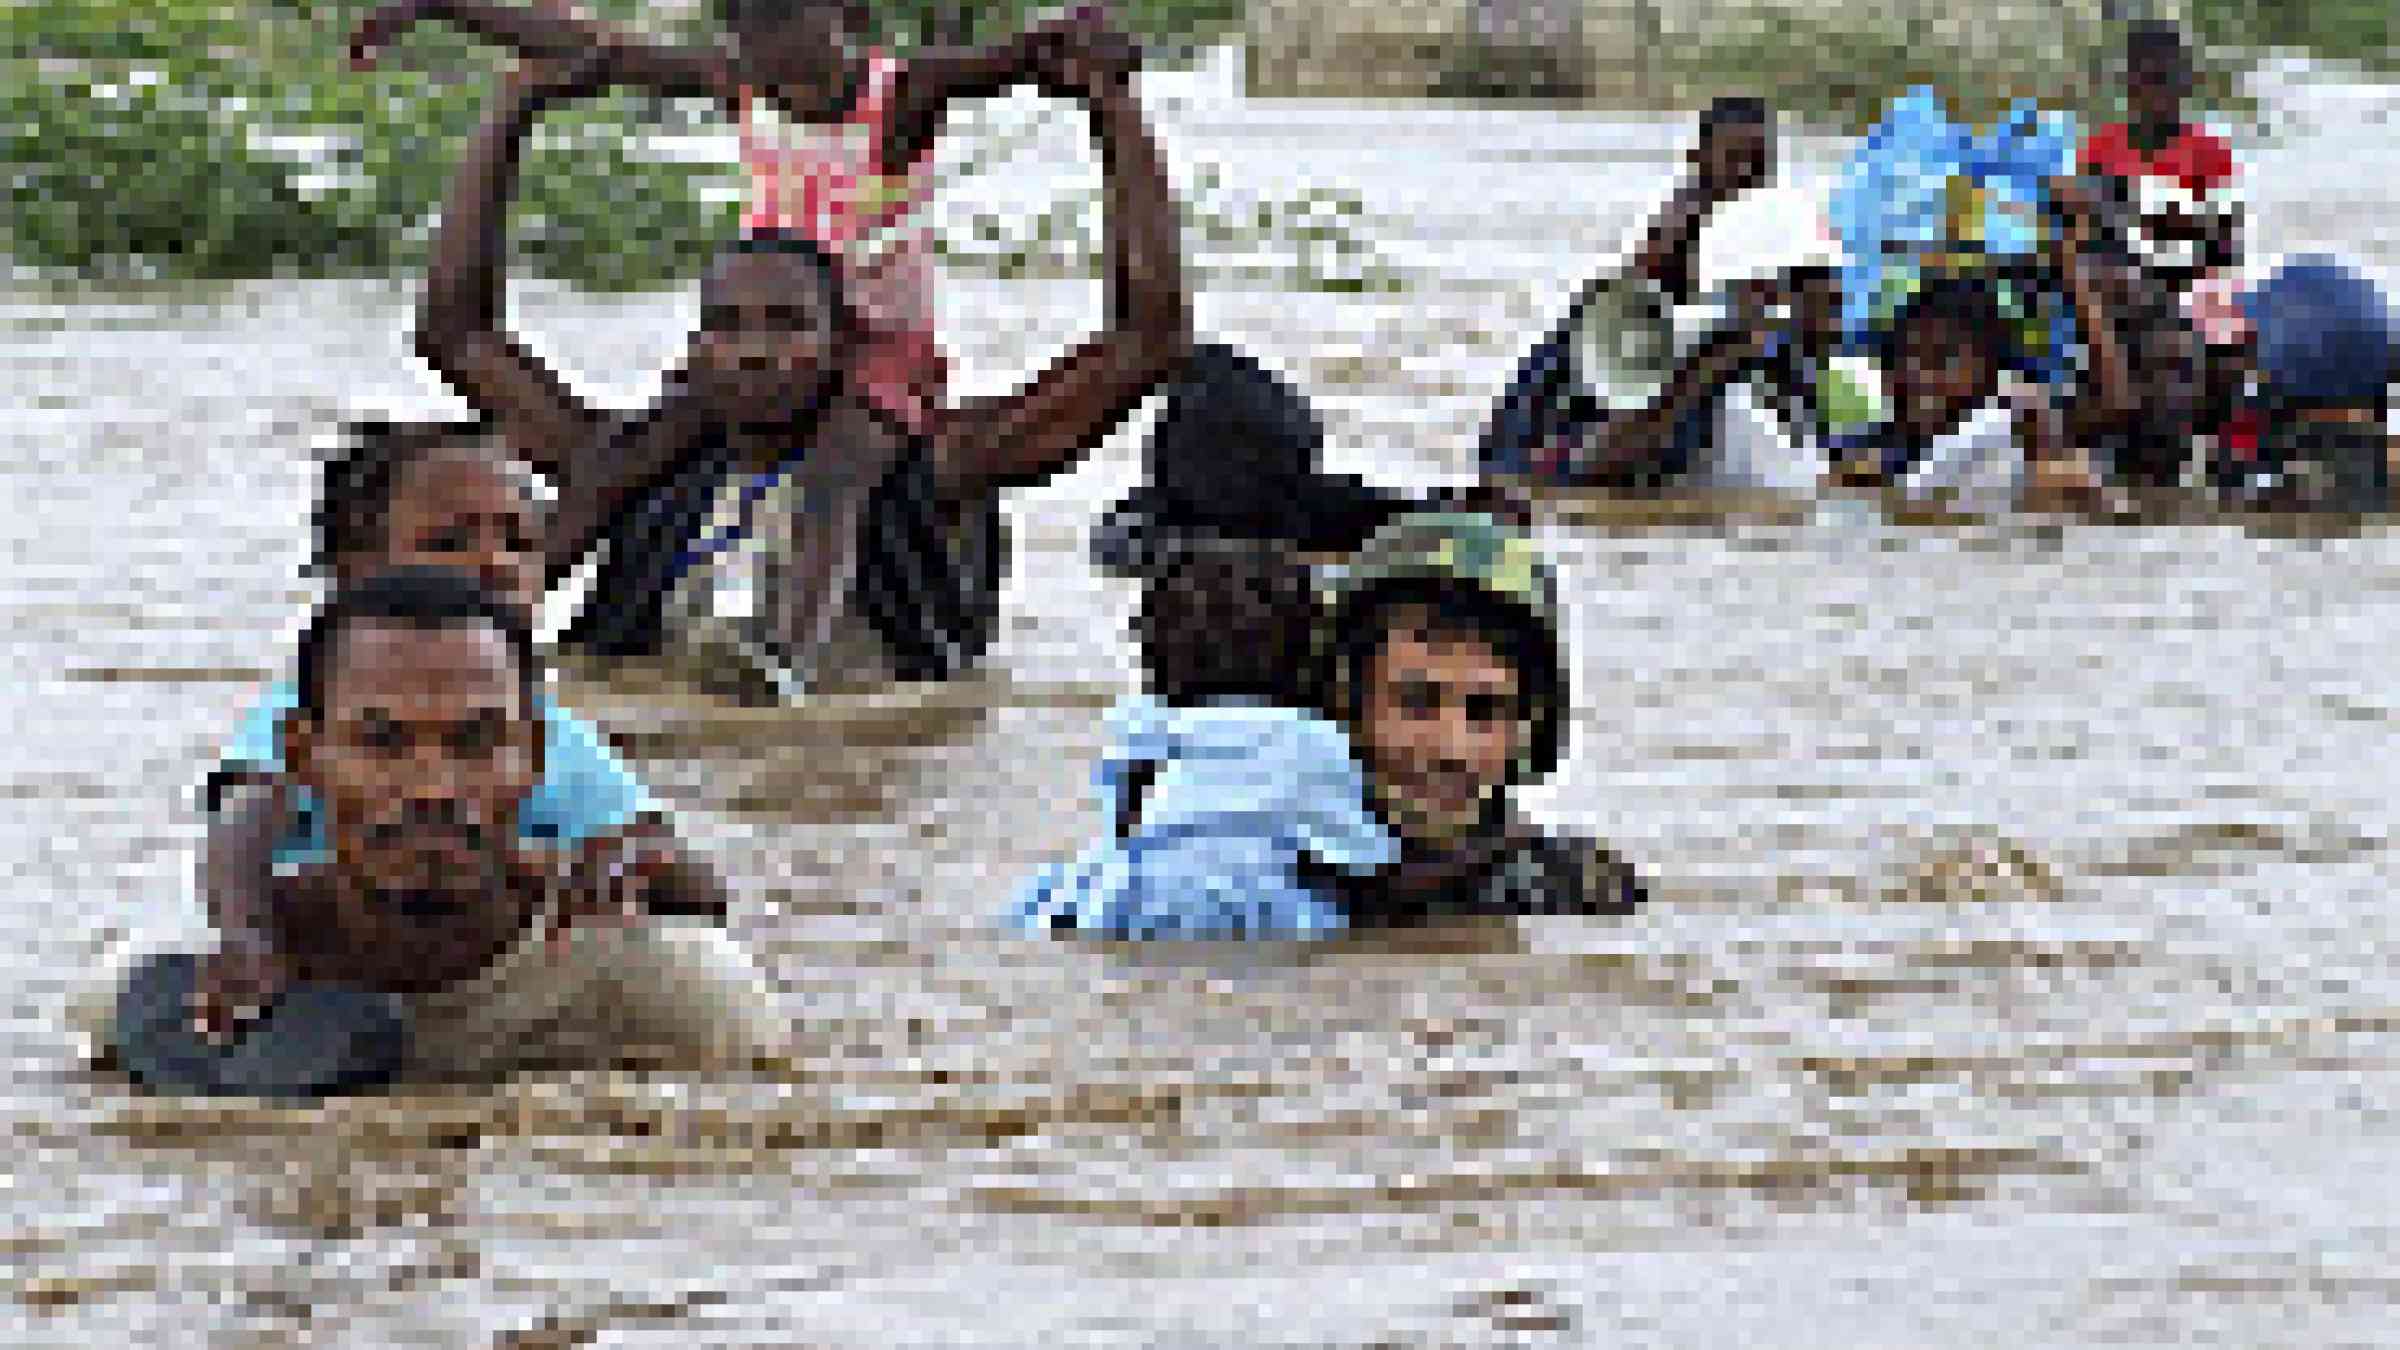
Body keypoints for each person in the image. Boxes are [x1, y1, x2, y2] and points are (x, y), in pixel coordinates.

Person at [398, 26, 1185, 695]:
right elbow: (456, 336)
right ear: (696, 348)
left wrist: (1111, 108)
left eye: (786, 326)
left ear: (844, 347)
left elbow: (1144, 345)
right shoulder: (640, 468)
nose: (755, 354)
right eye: (729, 327)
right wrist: (508, 115)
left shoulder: (929, 471)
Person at [87, 569, 784, 1098]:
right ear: (303, 759)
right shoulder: (175, 1002)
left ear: (535, 760)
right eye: (381, 743)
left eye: (475, 743)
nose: (431, 788)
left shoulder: (671, 994)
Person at [350, 0, 1121, 436]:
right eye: (742, 24)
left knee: (848, 465)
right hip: (758, 336)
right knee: (643, 447)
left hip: (875, 349)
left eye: (781, 20)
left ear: (846, 14)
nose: (762, 46)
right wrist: (442, 8)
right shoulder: (740, 85)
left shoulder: (903, 97)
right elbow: (598, 49)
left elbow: (1023, 57)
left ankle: (790, 648)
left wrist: (1081, 40)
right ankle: (547, 586)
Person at [193, 420, 728, 1042]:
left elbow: (687, 875)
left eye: (518, 542)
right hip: (331, 970)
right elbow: (246, 816)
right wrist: (248, 939)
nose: (494, 563)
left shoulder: (553, 731)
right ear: (357, 567)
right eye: (451, 541)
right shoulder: (310, 709)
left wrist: (631, 867)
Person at [1011, 540, 1395, 938]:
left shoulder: (1143, 729)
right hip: (1259, 908)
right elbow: (1359, 854)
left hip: (1128, 896)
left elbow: (1121, 826)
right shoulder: (1313, 743)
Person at [1309, 513, 1647, 921]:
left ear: (1529, 726)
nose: (1452, 749)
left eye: (1485, 711)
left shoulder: (1581, 891)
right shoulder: (1266, 884)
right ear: (1346, 706)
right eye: (1417, 704)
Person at [1478, 97, 1778, 484]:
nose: (1745, 174)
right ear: (1697, 157)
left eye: (1758, 164)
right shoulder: (1683, 222)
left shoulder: (1752, 228)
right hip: (1616, 362)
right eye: (1733, 158)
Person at [2226, 257, 2395, 513]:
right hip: (2362, 391)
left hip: (2310, 395)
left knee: (2257, 402)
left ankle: (2261, 480)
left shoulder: (2284, 338)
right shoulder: (2373, 327)